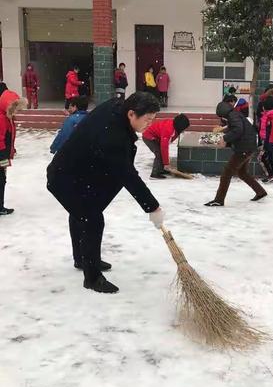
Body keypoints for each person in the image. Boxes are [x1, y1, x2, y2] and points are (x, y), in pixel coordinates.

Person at [46, 92, 164, 294]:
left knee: (81, 214)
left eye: (153, 119)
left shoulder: (117, 108)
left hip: (79, 173)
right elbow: (128, 175)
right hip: (64, 177)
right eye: (147, 119)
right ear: (131, 114)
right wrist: (152, 206)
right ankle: (92, 278)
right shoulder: (114, 137)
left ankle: (82, 259)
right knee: (91, 218)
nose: (150, 124)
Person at [205, 100, 267, 206]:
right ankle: (260, 192)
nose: (222, 118)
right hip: (249, 147)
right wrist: (227, 140)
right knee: (242, 173)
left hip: (244, 149)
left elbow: (238, 130)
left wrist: (225, 139)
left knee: (226, 173)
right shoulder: (235, 115)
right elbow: (237, 131)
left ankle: (219, 200)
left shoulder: (233, 116)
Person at [0, 91, 27, 216]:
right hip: (1, 156)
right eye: (17, 109)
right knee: (1, 180)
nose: (18, 112)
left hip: (3, 155)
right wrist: (3, 160)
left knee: (2, 179)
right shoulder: (2, 118)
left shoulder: (6, 117)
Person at [142, 114, 190, 179]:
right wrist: (166, 163)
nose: (184, 130)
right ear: (180, 126)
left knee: (162, 153)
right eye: (184, 128)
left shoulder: (174, 126)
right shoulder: (169, 130)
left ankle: (162, 169)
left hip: (156, 137)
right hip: (149, 137)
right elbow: (164, 147)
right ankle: (154, 174)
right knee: (159, 153)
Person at [259, 95, 273, 183]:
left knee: (266, 158)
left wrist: (271, 143)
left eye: (263, 106)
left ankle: (272, 175)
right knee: (266, 157)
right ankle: (272, 175)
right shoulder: (268, 115)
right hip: (267, 140)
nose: (262, 108)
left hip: (270, 141)